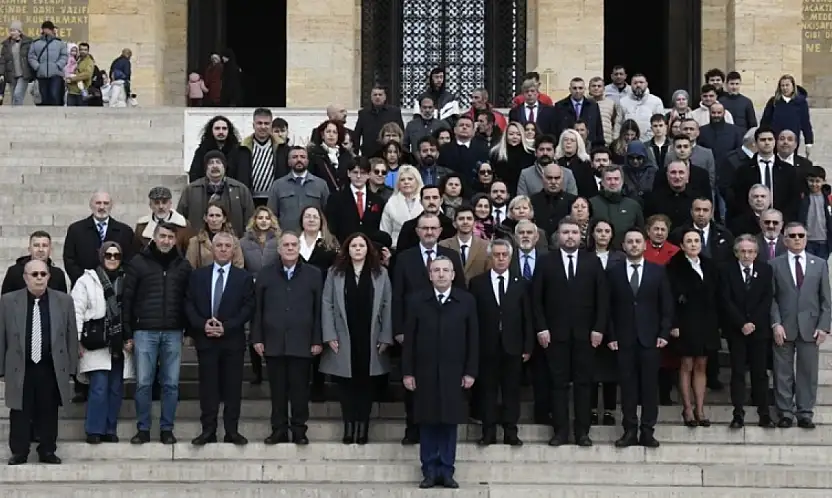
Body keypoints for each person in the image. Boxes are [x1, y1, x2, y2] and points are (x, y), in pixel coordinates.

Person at [402, 256, 478, 489]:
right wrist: (407, 372)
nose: (442, 274)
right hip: (424, 372)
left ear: (454, 274)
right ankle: (429, 470)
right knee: (428, 421)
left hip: (454, 372)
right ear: (430, 274)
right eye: (437, 270)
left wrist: (470, 371)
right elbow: (410, 340)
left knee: (449, 422)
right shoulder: (417, 301)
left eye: (446, 270)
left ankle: (446, 470)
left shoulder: (465, 301)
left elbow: (473, 338)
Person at [532, 216, 609, 446]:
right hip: (555, 335)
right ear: (558, 236)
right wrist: (541, 328)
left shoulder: (592, 261)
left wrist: (599, 328)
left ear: (581, 236)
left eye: (574, 233)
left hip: (586, 335)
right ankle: (560, 431)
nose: (570, 237)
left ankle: (583, 432)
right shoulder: (546, 262)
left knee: (584, 384)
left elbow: (602, 299)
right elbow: (536, 299)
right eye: (565, 233)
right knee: (558, 384)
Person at [391, 213, 466, 444]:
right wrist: (399, 329)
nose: (430, 232)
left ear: (441, 231)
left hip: (447, 333)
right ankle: (412, 428)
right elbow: (397, 297)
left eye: (434, 228)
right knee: (414, 384)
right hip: (414, 332)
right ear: (417, 231)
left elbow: (461, 293)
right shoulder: (404, 258)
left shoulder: (451, 257)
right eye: (425, 228)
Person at [0, 259, 78, 465]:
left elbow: (71, 335)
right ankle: (19, 451)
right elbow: (1, 336)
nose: (39, 278)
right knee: (19, 410)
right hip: (20, 366)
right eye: (34, 274)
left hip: (49, 366)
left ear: (49, 276)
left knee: (48, 409)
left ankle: (47, 450)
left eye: (43, 274)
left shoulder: (64, 301)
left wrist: (71, 368)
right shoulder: (8, 301)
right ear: (25, 278)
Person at [122, 222, 193, 445]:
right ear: (154, 237)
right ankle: (143, 428)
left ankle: (166, 429)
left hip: (173, 331)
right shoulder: (138, 263)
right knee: (144, 382)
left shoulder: (183, 266)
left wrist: (188, 329)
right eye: (162, 236)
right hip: (144, 331)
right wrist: (127, 332)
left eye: (171, 237)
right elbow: (127, 299)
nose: (166, 241)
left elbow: (188, 300)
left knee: (171, 383)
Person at [320, 233, 393, 445]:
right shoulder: (335, 273)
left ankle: (363, 427)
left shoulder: (380, 273)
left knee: (366, 384)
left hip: (371, 336)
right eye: (354, 245)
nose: (358, 249)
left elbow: (388, 305)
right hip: (344, 336)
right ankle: (348, 426)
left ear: (368, 249)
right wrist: (329, 334)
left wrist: (386, 336)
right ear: (347, 249)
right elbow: (327, 304)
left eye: (362, 245)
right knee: (346, 385)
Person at [251, 232, 323, 445]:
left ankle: (299, 430)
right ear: (279, 249)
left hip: (302, 342)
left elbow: (319, 310)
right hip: (273, 342)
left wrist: (317, 339)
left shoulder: (314, 274)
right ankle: (279, 430)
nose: (290, 248)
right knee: (278, 391)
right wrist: (257, 338)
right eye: (286, 245)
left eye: (294, 245)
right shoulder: (265, 274)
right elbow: (258, 309)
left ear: (299, 248)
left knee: (300, 390)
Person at [185, 232, 255, 445]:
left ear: (234, 250)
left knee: (233, 388)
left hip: (232, 341)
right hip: (206, 340)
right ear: (212, 249)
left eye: (227, 246)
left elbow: (248, 307)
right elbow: (188, 304)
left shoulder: (243, 277)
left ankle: (232, 431)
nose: (223, 249)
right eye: (219, 245)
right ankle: (208, 430)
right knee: (208, 388)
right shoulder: (198, 276)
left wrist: (226, 327)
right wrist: (202, 324)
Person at [607, 228, 673, 447]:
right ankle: (629, 430)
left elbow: (666, 305)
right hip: (623, 339)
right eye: (630, 242)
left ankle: (647, 430)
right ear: (623, 246)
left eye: (637, 241)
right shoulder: (613, 272)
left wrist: (664, 332)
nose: (634, 245)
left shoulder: (657, 271)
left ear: (644, 245)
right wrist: (611, 335)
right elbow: (607, 307)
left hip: (650, 339)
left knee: (649, 387)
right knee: (627, 387)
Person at [468, 239, 533, 446]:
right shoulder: (477, 283)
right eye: (497, 255)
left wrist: (527, 346)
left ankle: (510, 431)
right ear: (491, 257)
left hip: (513, 346)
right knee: (487, 390)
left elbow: (527, 317)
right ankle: (488, 432)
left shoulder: (521, 283)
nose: (501, 258)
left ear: (510, 257)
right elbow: (473, 318)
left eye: (504, 255)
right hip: (487, 347)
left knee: (511, 391)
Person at [71, 242, 134, 444]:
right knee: (98, 387)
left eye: (117, 255)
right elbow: (76, 311)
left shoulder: (127, 279)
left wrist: (129, 336)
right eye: (108, 255)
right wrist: (77, 339)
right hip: (95, 341)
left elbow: (131, 310)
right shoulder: (86, 281)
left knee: (115, 388)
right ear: (101, 256)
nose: (113, 259)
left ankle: (109, 428)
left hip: (119, 343)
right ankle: (94, 430)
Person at [770, 222, 831, 429]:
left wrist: (823, 326)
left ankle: (805, 412)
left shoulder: (819, 264)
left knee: (808, 371)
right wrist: (775, 323)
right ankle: (785, 412)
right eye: (792, 236)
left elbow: (825, 299)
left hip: (810, 326)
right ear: (784, 239)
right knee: (782, 371)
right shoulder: (775, 264)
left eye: (800, 235)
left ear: (806, 238)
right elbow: (772, 298)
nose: (797, 239)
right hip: (784, 326)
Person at [666, 228, 721, 427]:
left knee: (701, 365)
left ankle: (700, 408)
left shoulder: (709, 265)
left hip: (706, 321)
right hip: (685, 321)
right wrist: (673, 323)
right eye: (688, 241)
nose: (693, 244)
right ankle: (687, 408)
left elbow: (716, 294)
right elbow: (669, 297)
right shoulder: (674, 266)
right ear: (681, 245)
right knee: (686, 365)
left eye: (696, 240)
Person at [719, 235, 775, 429]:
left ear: (756, 253)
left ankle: (764, 413)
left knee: (760, 373)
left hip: (759, 331)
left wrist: (753, 322)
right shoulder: (727, 270)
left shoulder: (765, 270)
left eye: (750, 251)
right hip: (737, 331)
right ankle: (738, 413)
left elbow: (767, 298)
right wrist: (742, 323)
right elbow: (725, 299)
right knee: (738, 373)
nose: (747, 255)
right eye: (743, 251)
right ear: (736, 253)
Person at [586, 219, 624, 425]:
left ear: (612, 235)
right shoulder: (585, 256)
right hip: (589, 316)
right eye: (598, 230)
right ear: (592, 234)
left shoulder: (621, 257)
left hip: (615, 316)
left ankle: (609, 410)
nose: (602, 234)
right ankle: (591, 408)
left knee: (611, 366)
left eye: (606, 231)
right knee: (591, 366)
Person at [239, 206, 280, 384]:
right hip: (252, 289)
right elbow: (241, 266)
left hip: (274, 290)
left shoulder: (279, 241)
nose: (263, 221)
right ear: (254, 220)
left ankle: (272, 369)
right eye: (260, 218)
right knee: (254, 332)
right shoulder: (244, 242)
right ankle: (257, 372)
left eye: (267, 218)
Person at [185, 202, 245, 269]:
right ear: (205, 218)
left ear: (224, 219)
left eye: (218, 215)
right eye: (211, 215)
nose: (214, 220)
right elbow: (189, 267)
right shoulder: (195, 241)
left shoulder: (234, 241)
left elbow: (239, 266)